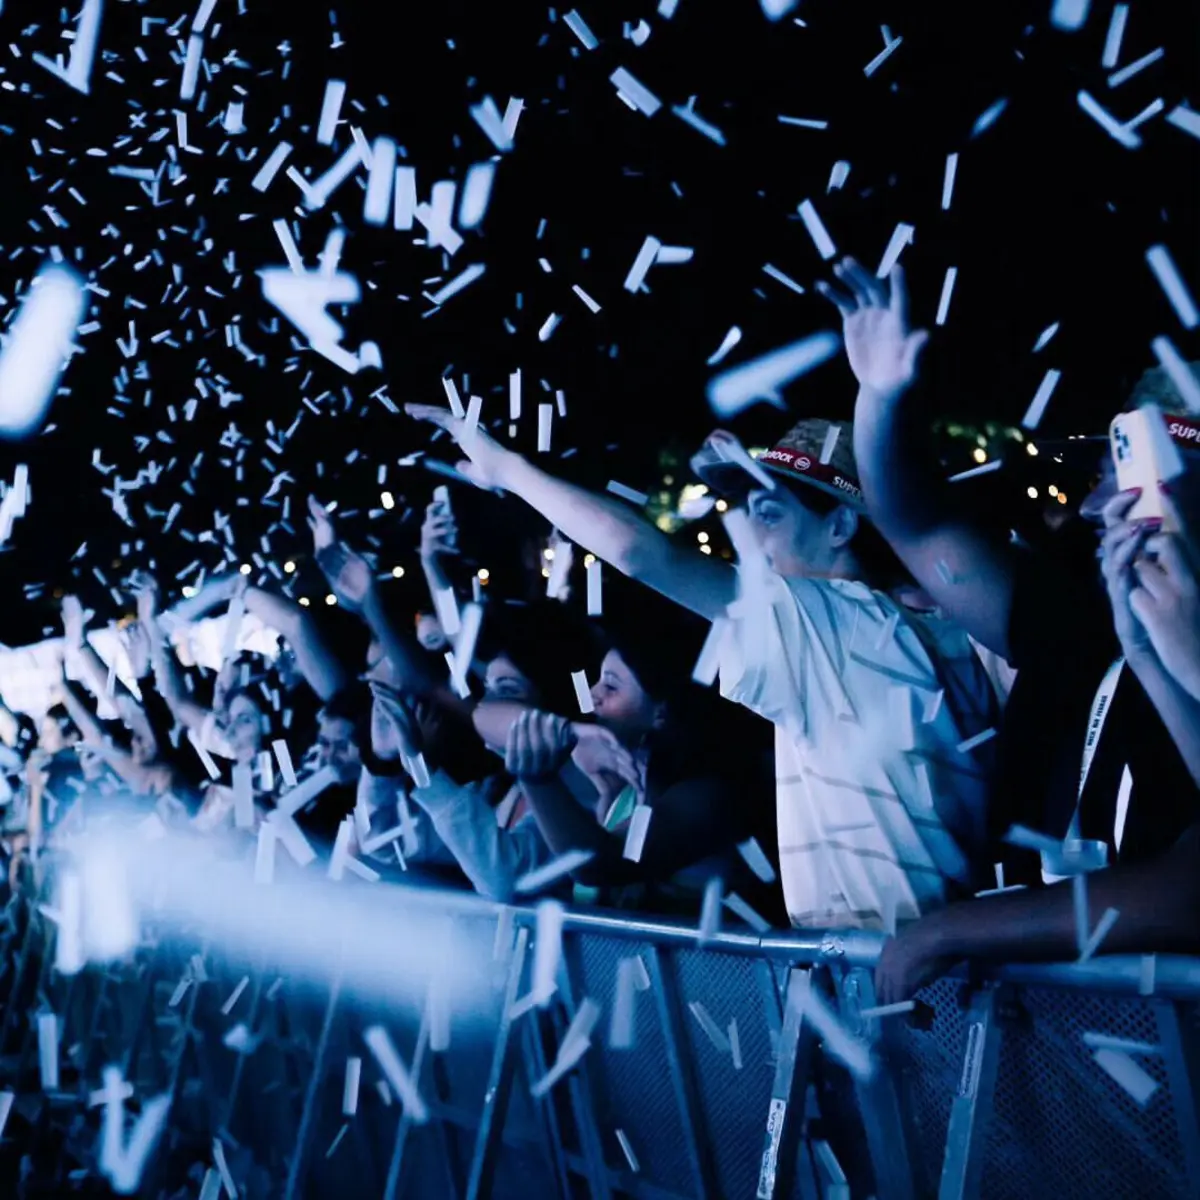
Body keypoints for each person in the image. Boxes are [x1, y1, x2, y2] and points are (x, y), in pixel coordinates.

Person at [405, 394, 1001, 933]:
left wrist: (506, 469)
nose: (750, 540)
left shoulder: (837, 621)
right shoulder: (929, 629)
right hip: (932, 961)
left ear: (841, 526)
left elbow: (639, 553)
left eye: (769, 514)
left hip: (900, 968)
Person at [816, 257, 1200, 998]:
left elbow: (1190, 889)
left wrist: (958, 928)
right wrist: (880, 401)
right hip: (1052, 1037)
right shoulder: (1081, 616)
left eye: (1132, 477)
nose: (1093, 506)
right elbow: (917, 526)